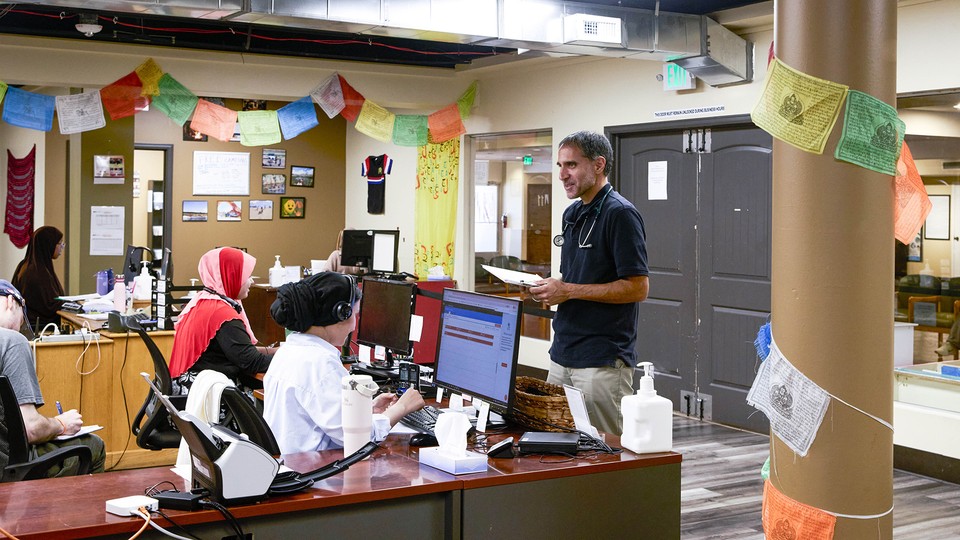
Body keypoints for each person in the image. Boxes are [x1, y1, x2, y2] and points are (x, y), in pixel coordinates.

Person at [528, 131, 649, 436]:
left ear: (598, 165)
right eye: (559, 165)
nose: (561, 175)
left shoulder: (620, 214)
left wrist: (566, 290)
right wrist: (550, 289)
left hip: (601, 359)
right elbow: (574, 278)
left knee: (605, 451)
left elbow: (638, 287)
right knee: (554, 443)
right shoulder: (572, 214)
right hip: (563, 353)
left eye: (570, 165)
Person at [263, 272, 425, 453]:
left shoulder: (290, 350)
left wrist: (367, 408)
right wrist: (402, 408)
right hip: (315, 473)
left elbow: (322, 414)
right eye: (354, 314)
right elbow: (358, 439)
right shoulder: (320, 364)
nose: (354, 326)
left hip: (291, 465)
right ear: (340, 314)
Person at [0, 279, 105, 476]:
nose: (18, 329)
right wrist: (61, 424)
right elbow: (30, 429)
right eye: (21, 321)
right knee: (94, 446)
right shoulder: (11, 341)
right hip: (6, 466)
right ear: (10, 302)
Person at [168, 247, 276, 394]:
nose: (251, 281)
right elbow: (251, 362)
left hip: (186, 387)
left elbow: (237, 349)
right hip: (207, 395)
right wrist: (291, 358)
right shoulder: (223, 314)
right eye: (246, 276)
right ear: (231, 277)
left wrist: (274, 351)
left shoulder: (202, 301)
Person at [12, 226, 66, 333]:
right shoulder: (35, 272)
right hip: (42, 330)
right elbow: (49, 306)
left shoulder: (31, 266)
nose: (62, 247)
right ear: (48, 245)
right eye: (59, 243)